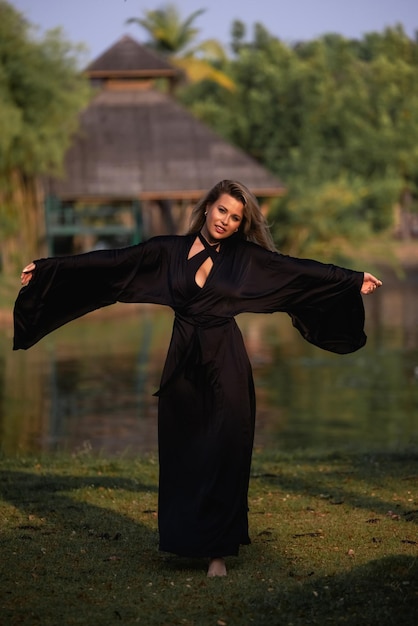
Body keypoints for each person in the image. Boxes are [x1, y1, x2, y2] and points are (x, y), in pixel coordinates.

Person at [14, 179, 382, 577]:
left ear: (242, 224)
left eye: (236, 217)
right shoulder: (167, 251)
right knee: (184, 450)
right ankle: (187, 539)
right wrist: (51, 268)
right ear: (207, 207)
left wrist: (350, 278)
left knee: (225, 451)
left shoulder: (246, 258)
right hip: (183, 363)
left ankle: (218, 554)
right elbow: (114, 263)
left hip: (226, 362)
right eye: (222, 210)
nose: (226, 220)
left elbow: (296, 270)